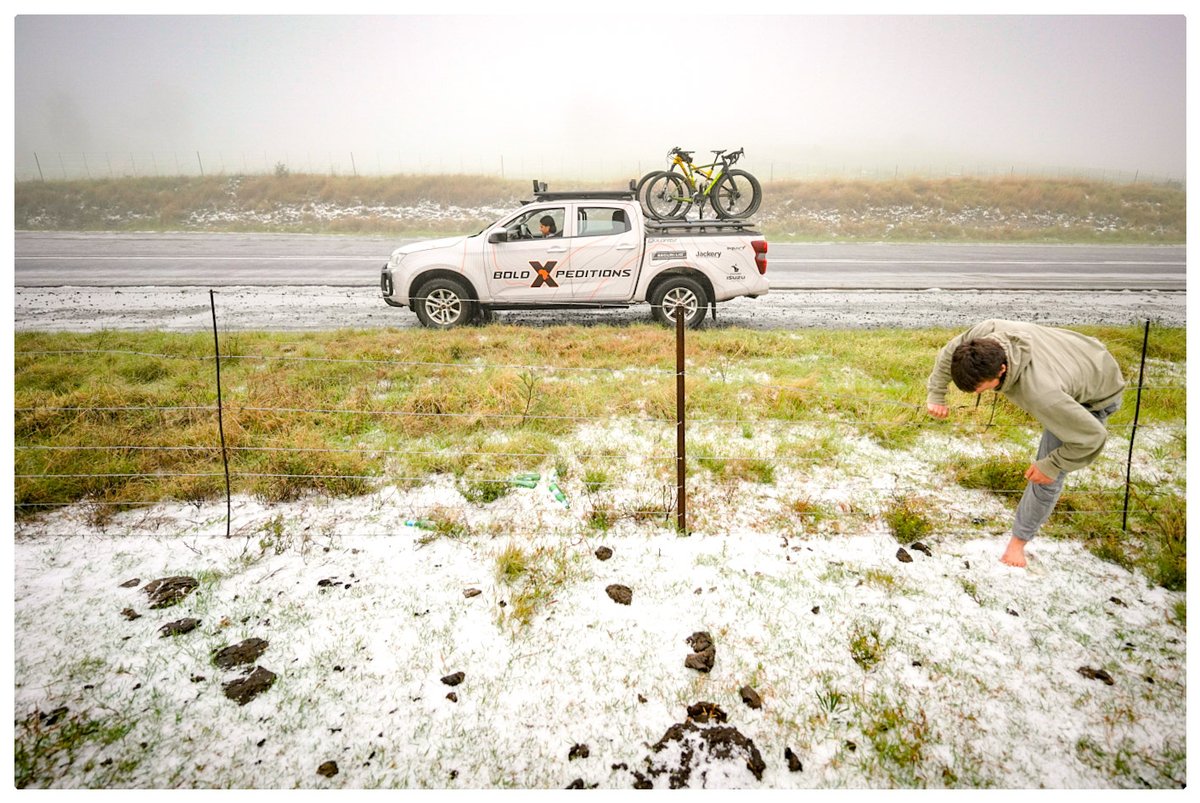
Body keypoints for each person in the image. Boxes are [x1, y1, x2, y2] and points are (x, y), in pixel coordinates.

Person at [925, 320, 1125, 568]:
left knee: (1045, 476)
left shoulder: (1043, 394)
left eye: (980, 390)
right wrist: (937, 393)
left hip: (1097, 391)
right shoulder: (987, 331)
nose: (978, 394)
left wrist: (1052, 464)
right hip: (1081, 353)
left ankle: (1017, 546)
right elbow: (949, 352)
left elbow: (1092, 437)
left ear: (1001, 370)